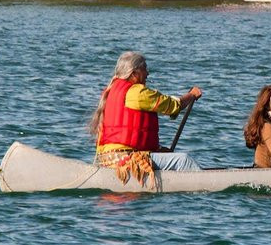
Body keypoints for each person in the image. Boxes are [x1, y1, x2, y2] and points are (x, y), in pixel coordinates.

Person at [87, 51, 203, 186]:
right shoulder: (137, 93)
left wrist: (158, 151)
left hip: (107, 159)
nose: (148, 73)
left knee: (169, 157)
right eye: (145, 68)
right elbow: (174, 105)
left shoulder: (111, 90)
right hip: (126, 159)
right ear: (134, 72)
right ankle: (209, 185)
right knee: (184, 160)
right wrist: (192, 95)